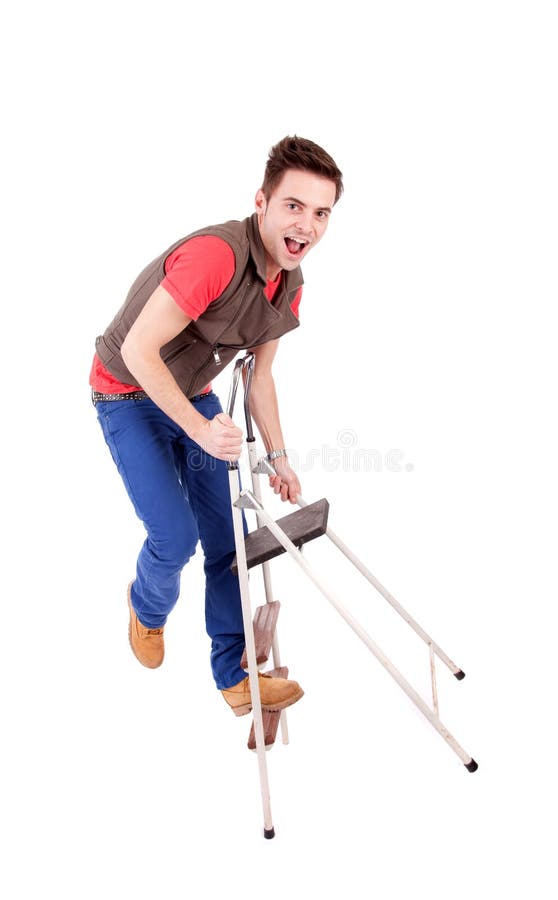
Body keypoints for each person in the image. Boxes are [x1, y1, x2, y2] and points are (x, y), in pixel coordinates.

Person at [90, 135, 343, 716]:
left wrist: (280, 458)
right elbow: (137, 351)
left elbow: (260, 379)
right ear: (262, 202)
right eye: (294, 206)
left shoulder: (290, 286)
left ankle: (234, 678)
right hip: (126, 391)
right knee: (174, 536)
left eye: (321, 213)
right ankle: (145, 609)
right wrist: (201, 430)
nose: (306, 224)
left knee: (225, 541)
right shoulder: (217, 256)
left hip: (191, 393)